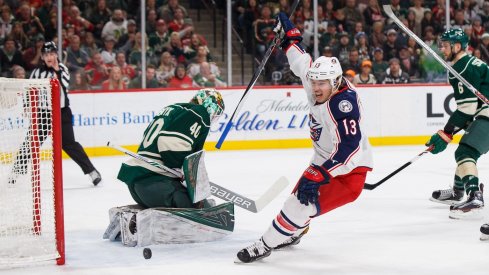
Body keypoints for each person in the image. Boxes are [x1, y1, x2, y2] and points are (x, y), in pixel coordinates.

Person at [236, 12, 373, 263]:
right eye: (314, 82)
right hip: (323, 160)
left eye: (322, 83)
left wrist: (322, 173)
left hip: (348, 173)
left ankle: (264, 245)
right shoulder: (319, 84)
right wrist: (289, 36)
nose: (315, 88)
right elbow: (302, 63)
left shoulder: (344, 104)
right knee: (296, 200)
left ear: (336, 81)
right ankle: (293, 231)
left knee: (297, 206)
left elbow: (349, 148)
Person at [9, 41, 102, 186]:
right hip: (43, 114)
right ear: (42, 57)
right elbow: (29, 89)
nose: (49, 57)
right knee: (31, 143)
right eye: (46, 55)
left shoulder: (63, 69)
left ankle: (92, 172)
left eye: (52, 54)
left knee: (70, 144)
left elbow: (64, 84)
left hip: (62, 113)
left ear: (56, 55)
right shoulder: (37, 72)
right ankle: (16, 172)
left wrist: (56, 70)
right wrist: (28, 105)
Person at [117, 88, 225, 209]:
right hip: (156, 183)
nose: (212, 120)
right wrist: (186, 171)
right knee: (200, 207)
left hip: (138, 183)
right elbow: (170, 143)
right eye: (215, 115)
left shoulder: (174, 108)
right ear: (210, 107)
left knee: (197, 201)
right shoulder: (199, 112)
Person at [427, 29, 487, 220]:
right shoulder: (471, 63)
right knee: (467, 150)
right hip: (484, 112)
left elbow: (467, 110)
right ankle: (457, 192)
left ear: (457, 46)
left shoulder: (461, 68)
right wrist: (449, 132)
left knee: (465, 153)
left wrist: (446, 133)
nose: (442, 48)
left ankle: (474, 195)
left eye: (445, 45)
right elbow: (471, 111)